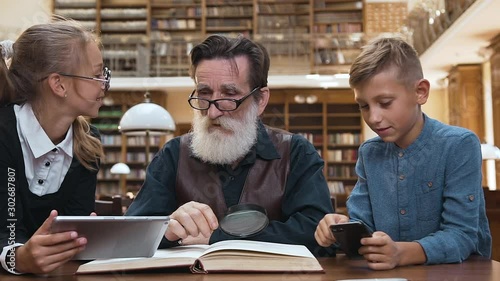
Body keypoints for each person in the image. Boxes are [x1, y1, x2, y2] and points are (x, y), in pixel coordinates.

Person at [126, 34, 333, 254]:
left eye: (230, 95)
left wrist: (219, 237)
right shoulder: (173, 154)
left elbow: (318, 234)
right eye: (204, 94)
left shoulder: (296, 153)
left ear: (260, 100)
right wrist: (167, 230)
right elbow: (131, 235)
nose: (213, 112)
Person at [314, 35, 492, 269]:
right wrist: (341, 229)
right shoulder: (369, 153)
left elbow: (462, 236)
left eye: (385, 102)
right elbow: (363, 228)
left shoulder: (459, 145)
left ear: (420, 92)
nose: (373, 118)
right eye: (364, 106)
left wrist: (400, 253)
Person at [0, 18, 109, 274]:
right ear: (58, 84)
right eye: (95, 75)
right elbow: (6, 230)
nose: (103, 84)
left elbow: (72, 235)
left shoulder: (88, 143)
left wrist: (87, 239)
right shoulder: (4, 134)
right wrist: (20, 258)